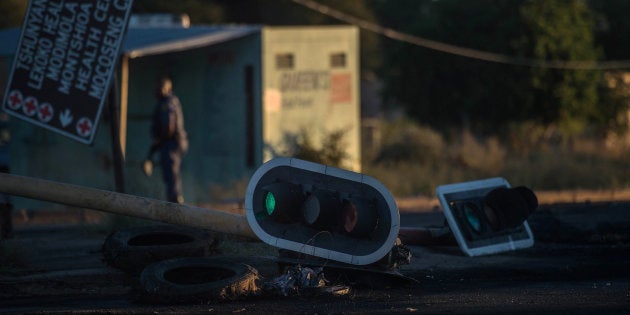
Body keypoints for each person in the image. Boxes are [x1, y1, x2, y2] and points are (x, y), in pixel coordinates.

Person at [144, 77, 189, 204]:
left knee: (171, 174)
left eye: (160, 88)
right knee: (171, 174)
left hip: (171, 143)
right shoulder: (167, 102)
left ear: (167, 89)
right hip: (170, 143)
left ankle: (175, 204)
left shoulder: (167, 103)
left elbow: (168, 126)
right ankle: (174, 202)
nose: (157, 91)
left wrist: (158, 141)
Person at [0, 112, 13, 239]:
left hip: (3, 165)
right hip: (4, 163)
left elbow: (6, 138)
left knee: (4, 200)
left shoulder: (5, 124)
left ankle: (6, 231)